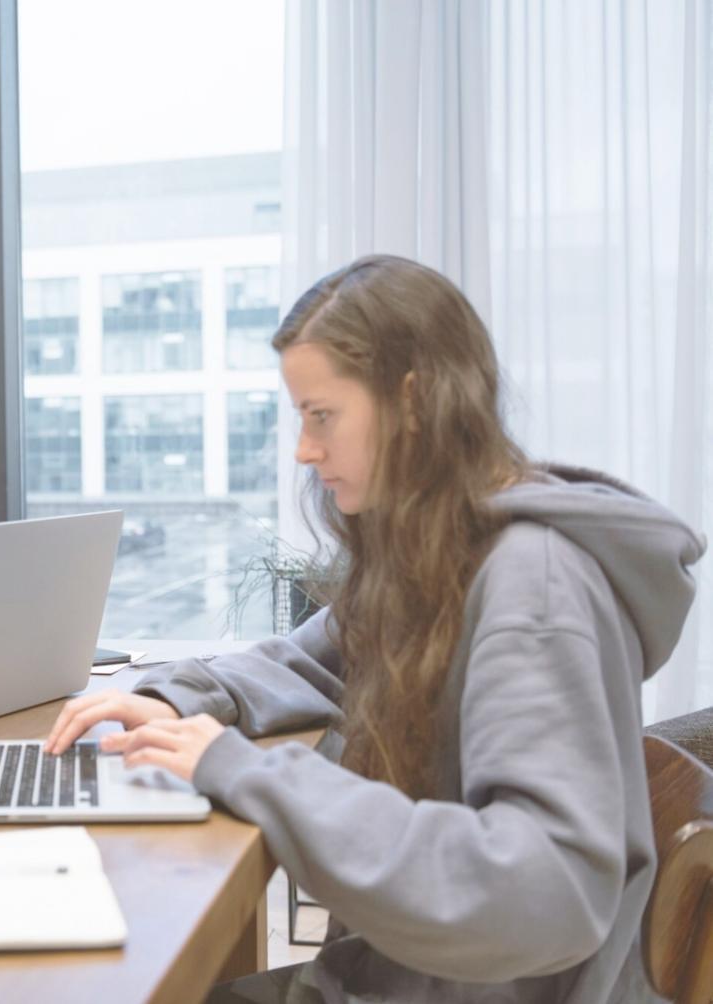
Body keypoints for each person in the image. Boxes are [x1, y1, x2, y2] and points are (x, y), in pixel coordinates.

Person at [45, 255, 704, 1003]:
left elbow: (542, 889)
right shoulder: (445, 549)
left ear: (411, 401)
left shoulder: (533, 589)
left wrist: (244, 769)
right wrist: (178, 699)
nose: (303, 450)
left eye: (321, 416)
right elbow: (316, 661)